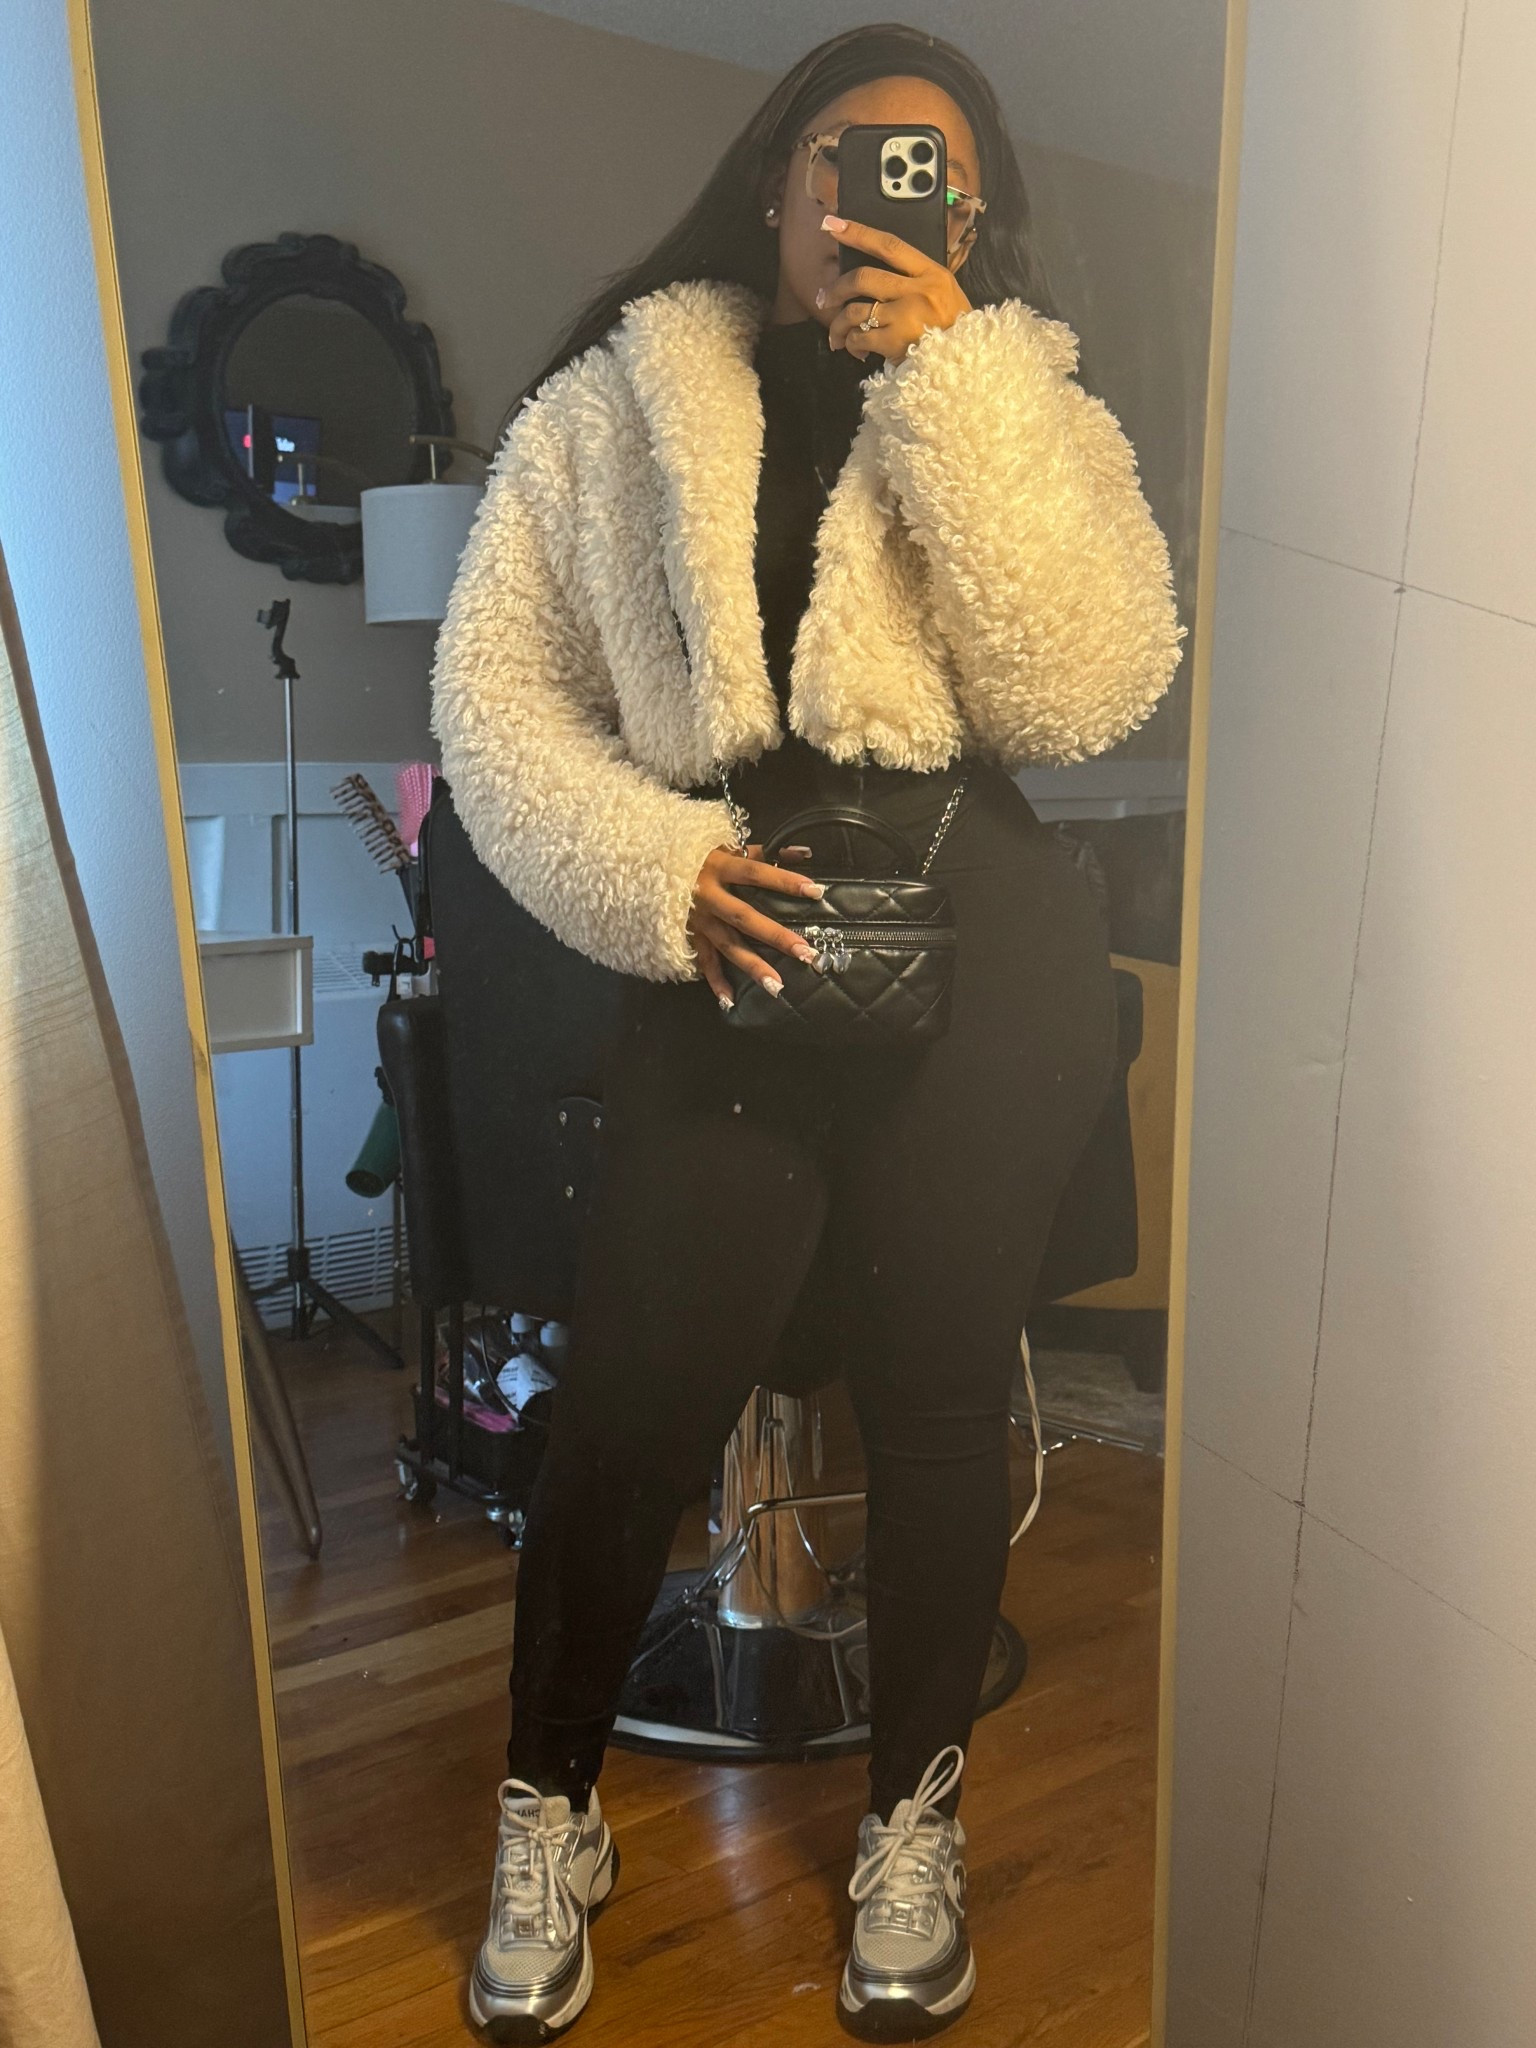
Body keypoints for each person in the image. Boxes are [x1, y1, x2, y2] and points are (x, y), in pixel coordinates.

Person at [430, 23, 1183, 2041]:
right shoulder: (616, 410)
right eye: (852, 156)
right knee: (630, 1403)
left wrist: (957, 391)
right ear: (779, 171)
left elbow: (1087, 686)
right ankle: (548, 1807)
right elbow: (496, 708)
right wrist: (655, 871)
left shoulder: (1021, 399)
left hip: (985, 947)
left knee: (937, 1397)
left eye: (938, 178)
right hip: (731, 941)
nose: (881, 202)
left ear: (976, 220)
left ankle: (910, 1824)